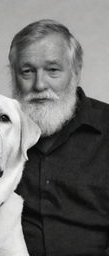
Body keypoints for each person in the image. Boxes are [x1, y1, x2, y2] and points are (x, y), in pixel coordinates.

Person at [9, 19, 109, 256]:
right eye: (27, 71)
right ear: (14, 76)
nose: (39, 84)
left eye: (53, 70)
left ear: (76, 71)